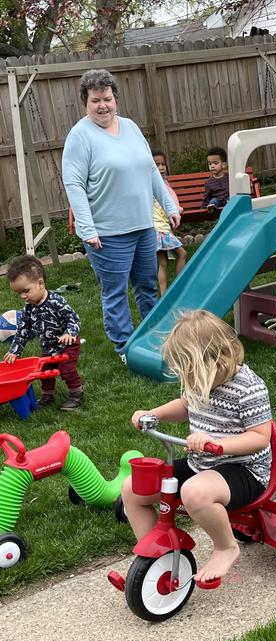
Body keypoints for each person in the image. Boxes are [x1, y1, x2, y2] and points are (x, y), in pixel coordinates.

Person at [122, 310, 272, 582]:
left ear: (217, 358)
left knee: (194, 493)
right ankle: (156, 557)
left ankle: (226, 547)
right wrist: (153, 413)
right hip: (201, 464)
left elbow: (260, 437)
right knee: (133, 489)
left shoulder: (250, 387)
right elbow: (187, 405)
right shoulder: (201, 378)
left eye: (191, 371)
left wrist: (217, 443)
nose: (188, 379)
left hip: (245, 470)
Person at [61, 69, 181, 364]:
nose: (102, 105)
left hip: (142, 226)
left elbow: (151, 171)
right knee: (115, 292)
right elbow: (74, 183)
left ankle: (152, 337)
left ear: (115, 98)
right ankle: (125, 348)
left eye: (107, 98)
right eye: (95, 100)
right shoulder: (80, 136)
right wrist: (87, 229)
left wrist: (169, 206)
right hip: (107, 232)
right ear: (85, 103)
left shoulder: (130, 127)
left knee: (147, 286)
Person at [3, 256, 83, 411]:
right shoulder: (29, 307)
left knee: (67, 370)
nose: (23, 296)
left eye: (26, 291)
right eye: (19, 293)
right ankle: (48, 395)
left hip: (67, 344)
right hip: (48, 346)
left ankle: (76, 394)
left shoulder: (56, 302)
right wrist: (14, 351)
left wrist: (69, 333)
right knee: (44, 371)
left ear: (40, 283)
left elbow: (74, 318)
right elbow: (23, 330)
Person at [151, 150, 187, 295]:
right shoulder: (157, 185)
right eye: (157, 165)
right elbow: (167, 202)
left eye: (163, 164)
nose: (161, 168)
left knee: (163, 263)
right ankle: (179, 287)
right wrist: (175, 209)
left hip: (159, 228)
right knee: (182, 254)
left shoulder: (162, 183)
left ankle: (164, 293)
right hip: (160, 229)